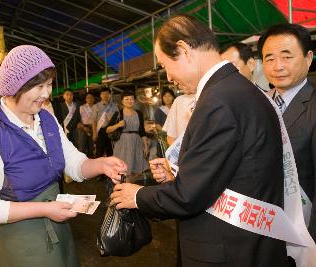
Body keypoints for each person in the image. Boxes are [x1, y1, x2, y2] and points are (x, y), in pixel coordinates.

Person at [110, 14, 288, 266]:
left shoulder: (217, 101)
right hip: (251, 242)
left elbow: (188, 197)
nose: (169, 78)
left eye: (164, 65)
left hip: (227, 249)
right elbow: (231, 171)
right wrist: (180, 176)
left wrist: (137, 195)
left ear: (183, 50)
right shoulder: (239, 90)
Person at [0, 45, 127, 267]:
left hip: (58, 226)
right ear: (15, 88)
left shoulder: (46, 119)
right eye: (40, 86)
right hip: (21, 240)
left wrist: (100, 164)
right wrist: (44, 209)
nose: (47, 93)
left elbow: (72, 161)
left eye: (49, 84)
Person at [259, 23, 316, 243]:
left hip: (301, 232)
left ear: (308, 58)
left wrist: (311, 242)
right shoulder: (258, 102)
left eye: (286, 56)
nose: (277, 66)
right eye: (269, 58)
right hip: (263, 226)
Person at [106, 91, 148, 178]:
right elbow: (108, 130)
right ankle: (121, 187)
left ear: (134, 101)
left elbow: (142, 131)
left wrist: (145, 145)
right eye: (126, 99)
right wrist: (118, 125)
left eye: (131, 99)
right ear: (122, 101)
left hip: (137, 143)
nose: (129, 101)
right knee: (122, 169)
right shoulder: (118, 113)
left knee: (136, 170)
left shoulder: (139, 113)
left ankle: (130, 187)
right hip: (123, 144)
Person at [91, 87, 118, 157]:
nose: (105, 95)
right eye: (103, 94)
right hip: (100, 131)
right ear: (100, 95)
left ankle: (110, 167)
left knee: (111, 151)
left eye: (107, 94)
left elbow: (118, 119)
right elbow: (93, 121)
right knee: (99, 151)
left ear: (110, 95)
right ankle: (98, 167)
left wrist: (111, 120)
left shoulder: (115, 106)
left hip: (111, 131)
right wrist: (94, 133)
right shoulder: (96, 106)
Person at [154, 88, 175, 155]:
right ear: (162, 98)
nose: (167, 98)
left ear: (173, 97)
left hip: (176, 136)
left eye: (169, 96)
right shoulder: (159, 110)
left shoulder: (176, 108)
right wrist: (166, 132)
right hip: (164, 137)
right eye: (165, 96)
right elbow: (157, 125)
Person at [77, 92, 95, 158]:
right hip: (83, 128)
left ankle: (91, 163)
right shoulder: (81, 107)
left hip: (93, 128)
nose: (90, 99)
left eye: (91, 98)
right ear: (86, 99)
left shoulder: (96, 107)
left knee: (91, 147)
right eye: (88, 98)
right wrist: (84, 127)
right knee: (82, 146)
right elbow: (78, 120)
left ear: (94, 99)